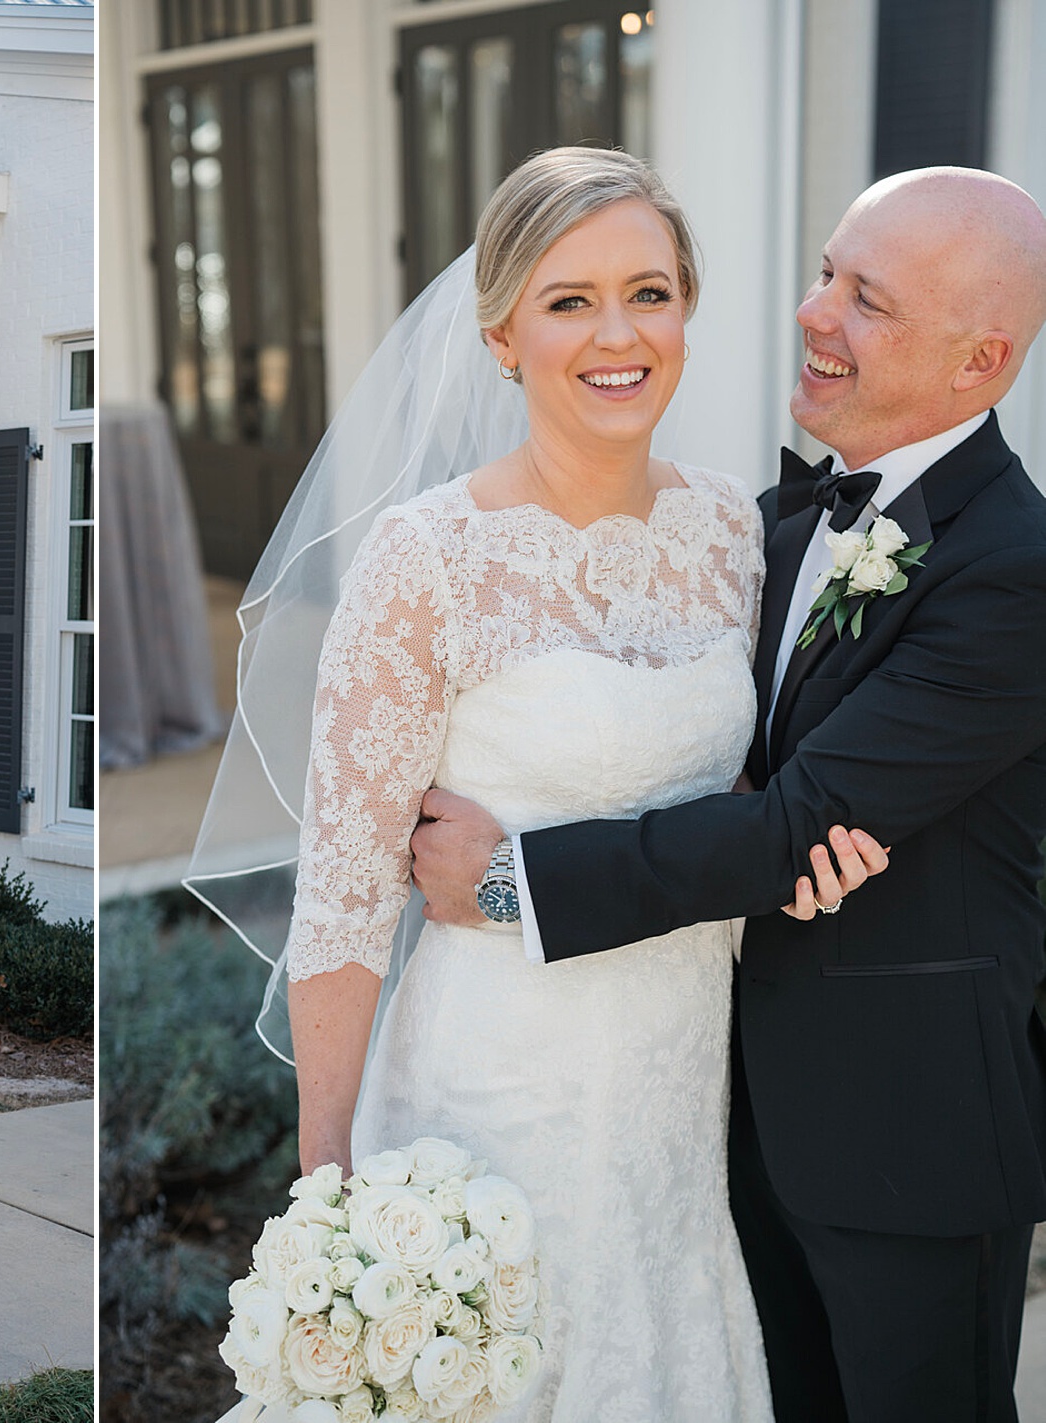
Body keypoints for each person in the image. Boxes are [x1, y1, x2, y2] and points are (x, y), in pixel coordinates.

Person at [189, 147, 885, 1422]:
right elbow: (344, 902)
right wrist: (327, 1190)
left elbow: (756, 799)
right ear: (503, 333)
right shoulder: (426, 563)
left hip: (683, 1108)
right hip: (492, 1097)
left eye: (648, 292)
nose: (616, 335)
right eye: (569, 301)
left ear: (686, 309)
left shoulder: (736, 533)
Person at [409, 167, 1046, 1422]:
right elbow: (752, 789)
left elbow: (795, 828)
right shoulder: (764, 523)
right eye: (825, 273)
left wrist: (509, 874)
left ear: (978, 364)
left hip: (908, 1141)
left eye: (866, 301)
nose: (814, 315)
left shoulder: (1013, 572)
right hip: (720, 1116)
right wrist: (771, 824)